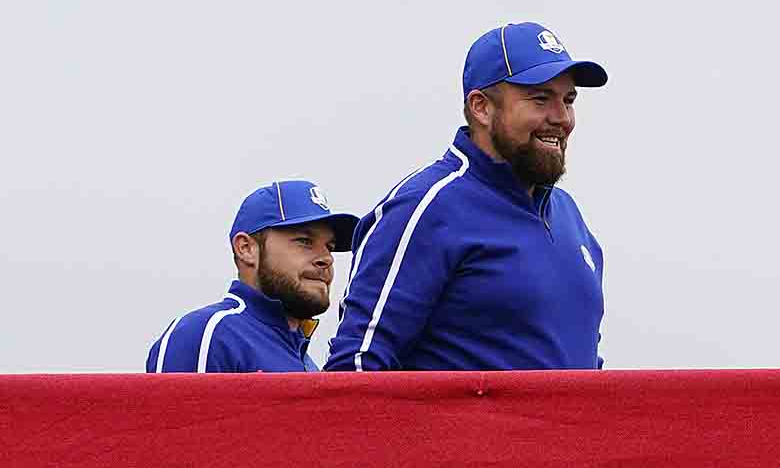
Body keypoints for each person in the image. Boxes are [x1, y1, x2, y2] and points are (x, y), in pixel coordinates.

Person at [326, 22, 607, 371]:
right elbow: (356, 366)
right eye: (540, 99)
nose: (562, 118)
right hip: (455, 428)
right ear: (481, 107)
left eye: (568, 100)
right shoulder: (425, 207)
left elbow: (584, 368)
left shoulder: (569, 216)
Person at [147, 181, 359, 372]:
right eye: (304, 241)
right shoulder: (205, 333)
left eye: (329, 247)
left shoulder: (307, 364)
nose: (326, 258)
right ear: (246, 248)